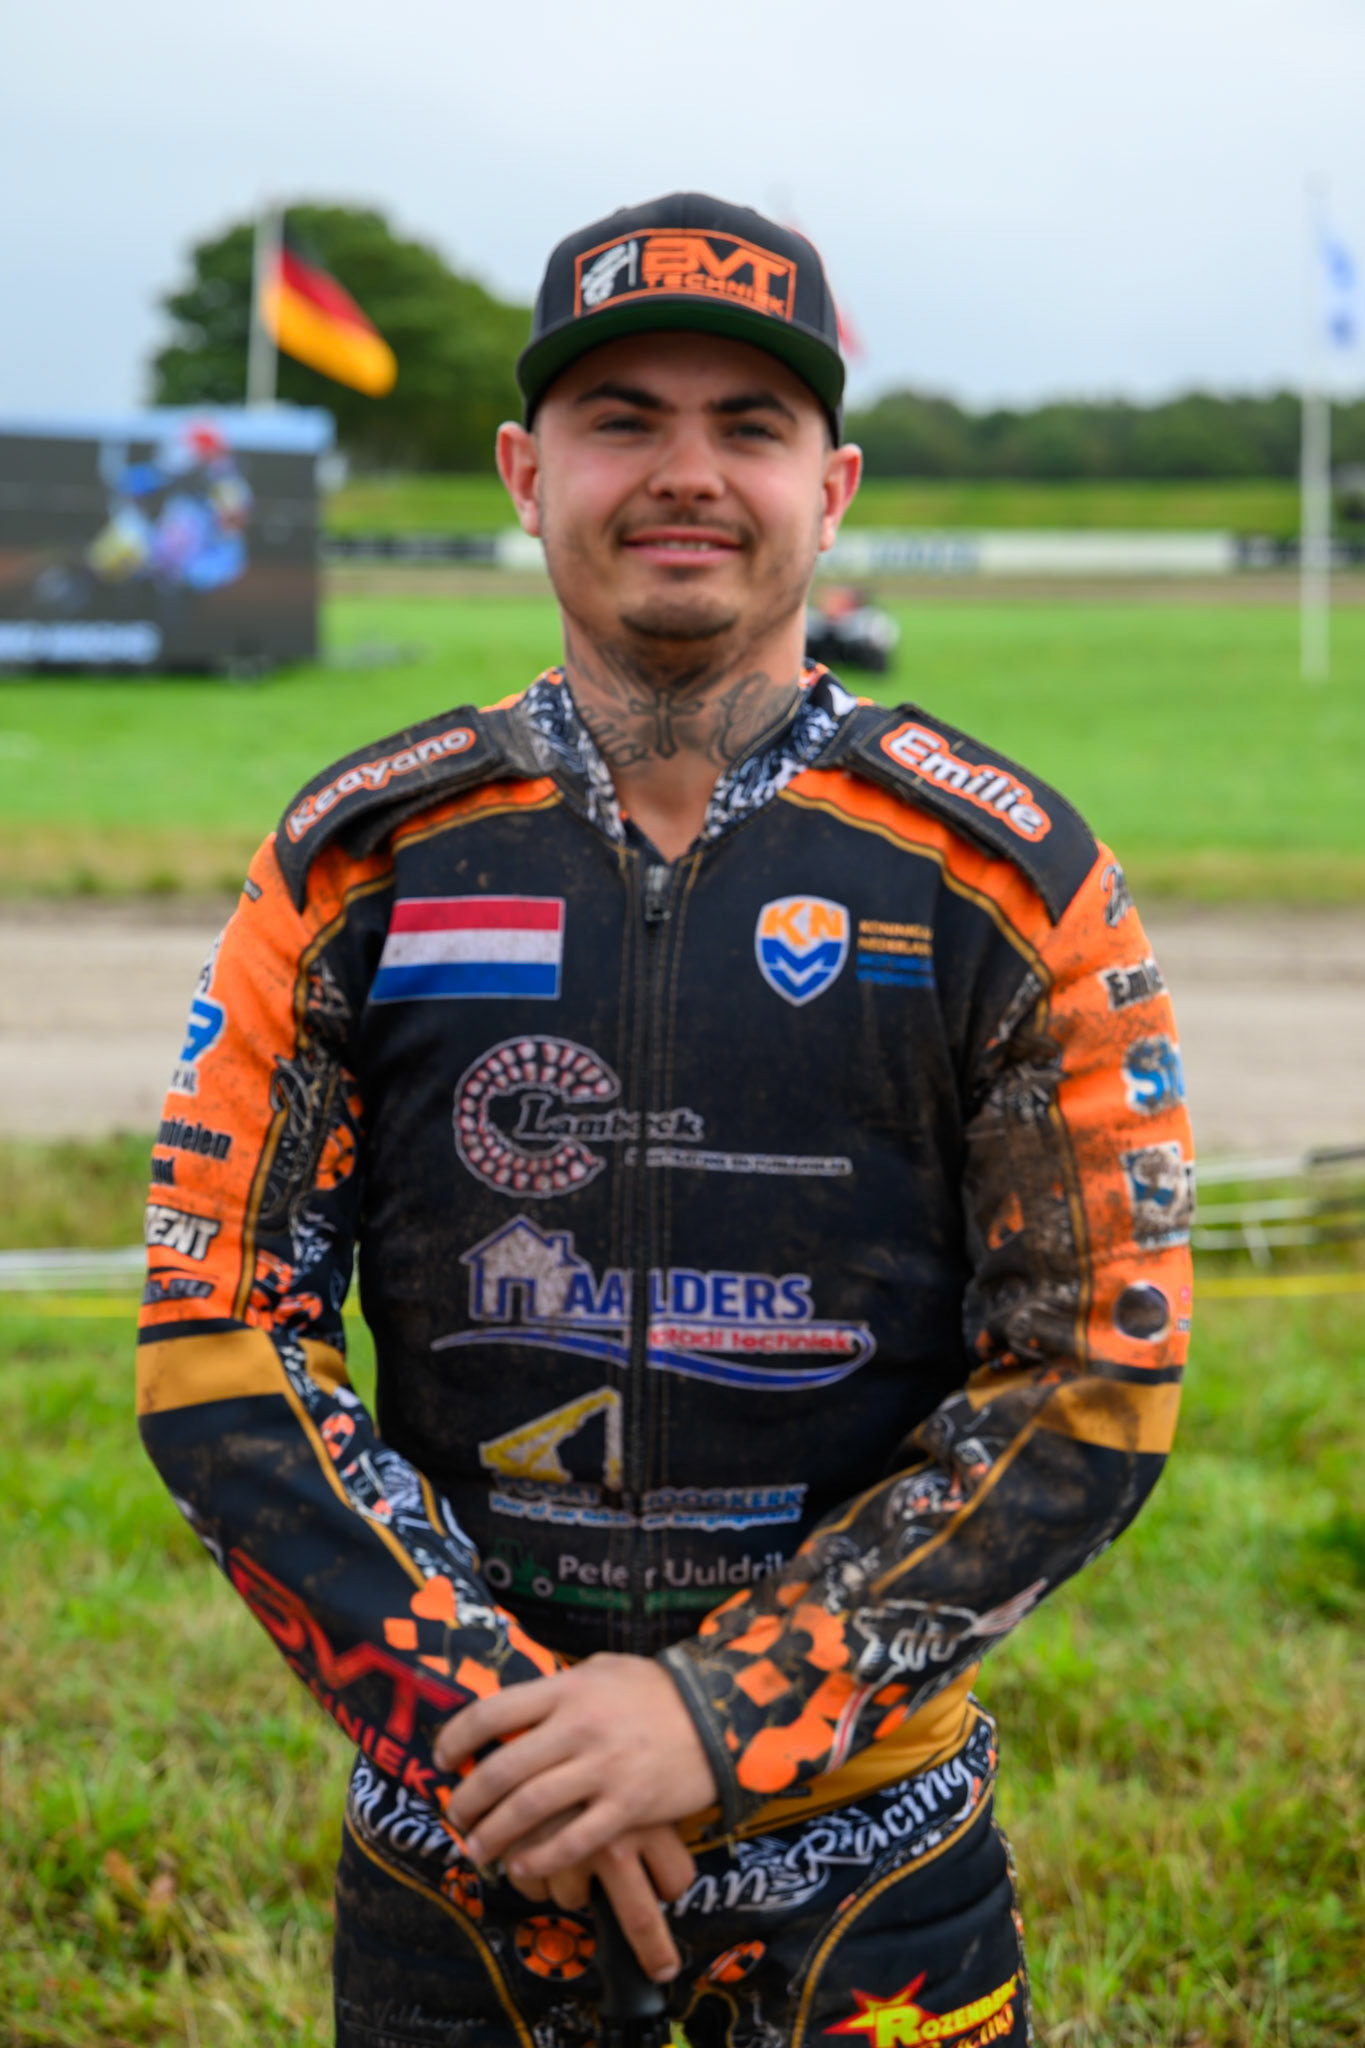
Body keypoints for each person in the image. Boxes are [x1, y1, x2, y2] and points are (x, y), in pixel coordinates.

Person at [137, 193, 1194, 2048]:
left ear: (834, 483)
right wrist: (505, 1731)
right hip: (462, 1837)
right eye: (623, 417)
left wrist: (717, 1713)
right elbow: (214, 1335)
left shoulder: (1003, 878)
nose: (684, 473)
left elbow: (1093, 1373)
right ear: (523, 471)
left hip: (859, 1857)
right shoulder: (359, 856)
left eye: (750, 426)